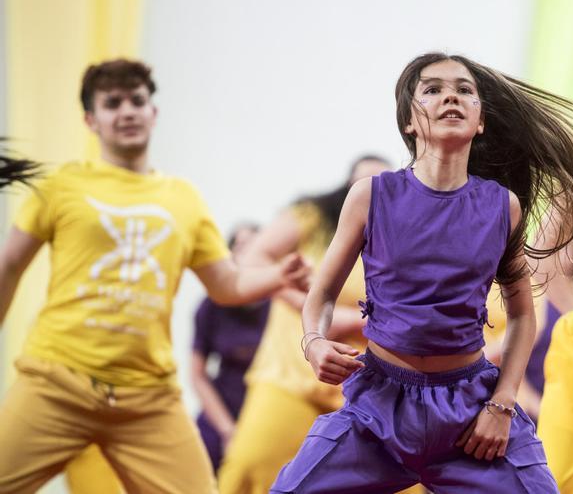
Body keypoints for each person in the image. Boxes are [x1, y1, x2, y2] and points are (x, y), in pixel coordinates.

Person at [270, 52, 573, 494]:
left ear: (480, 122)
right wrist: (314, 342)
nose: (450, 98)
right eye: (433, 89)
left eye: (465, 91)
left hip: (471, 415)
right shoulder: (371, 196)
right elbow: (322, 294)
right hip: (378, 410)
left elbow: (521, 316)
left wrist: (501, 405)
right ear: (409, 121)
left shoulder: (503, 206)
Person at [0, 59, 307, 494]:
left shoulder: (184, 199)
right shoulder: (62, 186)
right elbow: (9, 265)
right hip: (56, 383)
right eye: (112, 103)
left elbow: (227, 285)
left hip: (148, 399)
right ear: (91, 120)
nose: (127, 111)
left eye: (137, 100)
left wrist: (279, 275)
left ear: (153, 112)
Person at [218, 155, 393, 494]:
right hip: (291, 376)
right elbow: (252, 261)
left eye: (383, 186)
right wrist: (321, 313)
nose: (371, 194)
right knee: (251, 465)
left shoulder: (404, 241)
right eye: (360, 185)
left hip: (366, 390)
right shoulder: (312, 217)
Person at [192, 222, 271, 472]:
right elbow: (197, 374)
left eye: (255, 246)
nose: (247, 253)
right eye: (240, 246)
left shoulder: (282, 305)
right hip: (221, 413)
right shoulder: (211, 306)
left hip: (267, 415)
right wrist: (228, 431)